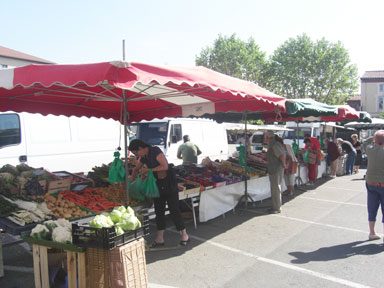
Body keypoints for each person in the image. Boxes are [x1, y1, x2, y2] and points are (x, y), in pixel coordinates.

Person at [128, 139, 189, 247]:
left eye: (136, 152)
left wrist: (149, 170)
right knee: (159, 212)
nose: (136, 155)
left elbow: (165, 166)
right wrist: (132, 177)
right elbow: (136, 168)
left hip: (169, 184)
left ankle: (184, 235)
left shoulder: (155, 151)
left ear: (141, 148)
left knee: (174, 210)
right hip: (157, 186)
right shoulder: (144, 157)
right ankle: (160, 238)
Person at [364, 130, 384, 241]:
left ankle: (372, 232)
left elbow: (364, 143)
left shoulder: (370, 150)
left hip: (371, 182)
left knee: (372, 208)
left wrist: (372, 138)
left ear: (375, 140)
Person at [266, 132, 287, 213]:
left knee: (276, 188)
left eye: (266, 137)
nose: (265, 139)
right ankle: (275, 206)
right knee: (275, 188)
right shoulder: (273, 144)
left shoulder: (274, 144)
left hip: (276, 169)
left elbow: (282, 155)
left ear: (270, 137)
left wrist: (284, 164)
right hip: (274, 168)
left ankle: (276, 208)